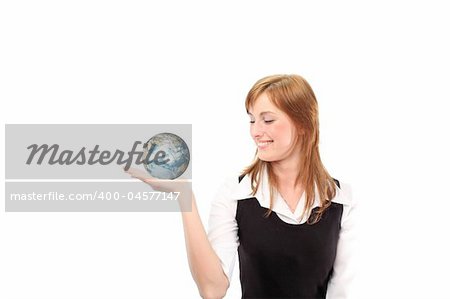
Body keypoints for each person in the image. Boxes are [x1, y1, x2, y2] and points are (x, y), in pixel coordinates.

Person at [126, 74, 357, 299]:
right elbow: (213, 290)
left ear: (303, 124)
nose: (255, 131)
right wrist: (184, 196)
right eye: (252, 120)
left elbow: (344, 291)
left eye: (267, 120)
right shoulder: (236, 194)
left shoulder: (341, 200)